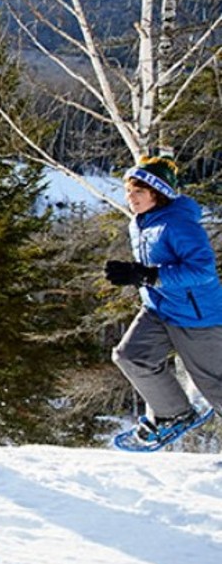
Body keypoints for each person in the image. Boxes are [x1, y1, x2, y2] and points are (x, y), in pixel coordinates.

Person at [105, 155, 222, 445]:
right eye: (129, 191)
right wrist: (136, 274)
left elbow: (202, 270)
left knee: (214, 385)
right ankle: (174, 414)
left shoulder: (179, 224)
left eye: (139, 192)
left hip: (197, 316)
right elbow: (149, 269)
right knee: (131, 356)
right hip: (159, 307)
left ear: (159, 194)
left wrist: (149, 275)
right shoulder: (141, 222)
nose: (131, 198)